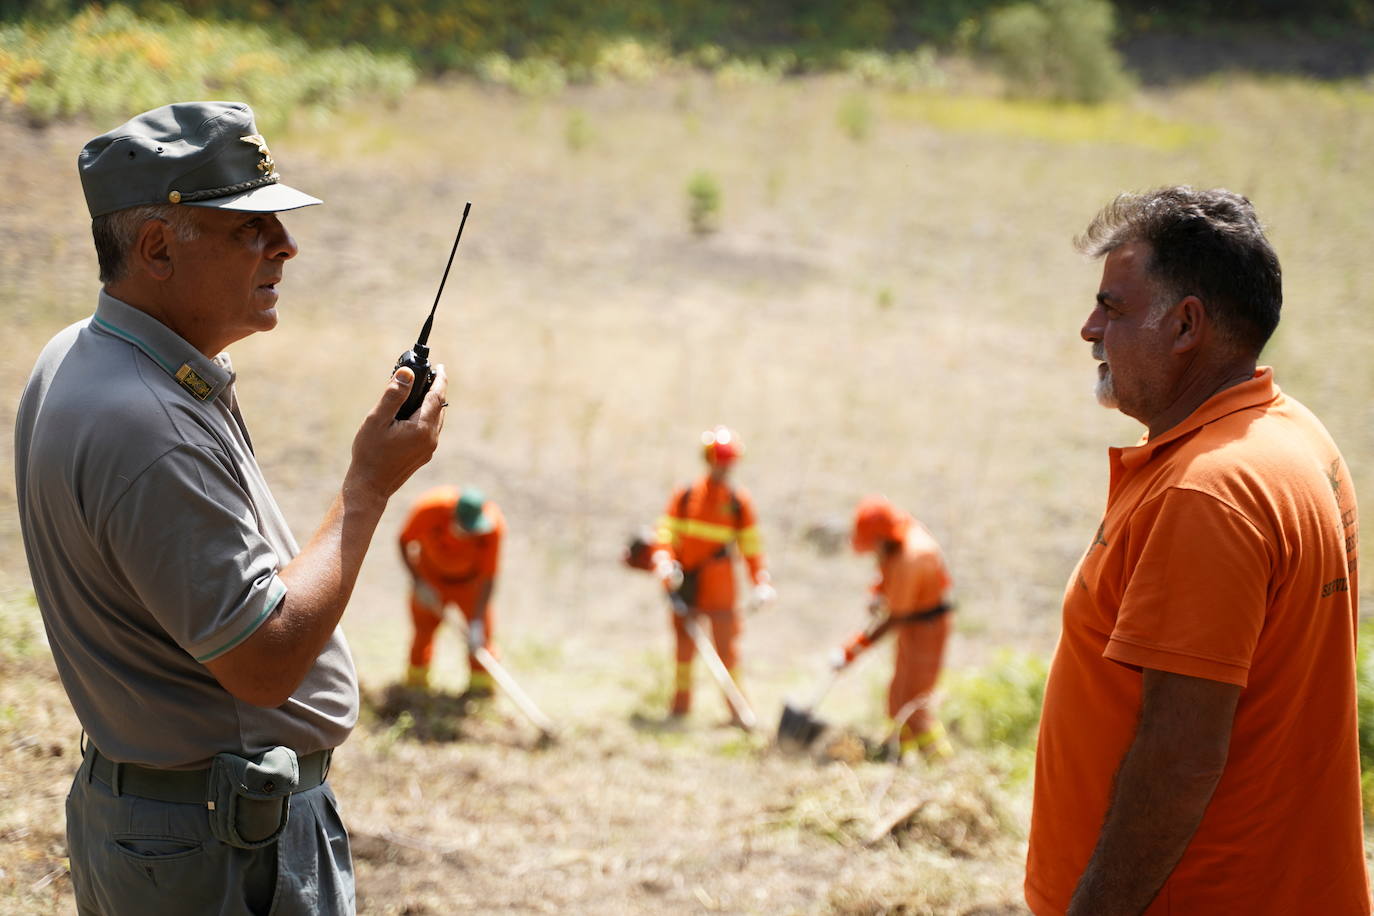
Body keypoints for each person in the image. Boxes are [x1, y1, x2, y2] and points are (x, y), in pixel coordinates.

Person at [13, 101, 448, 915]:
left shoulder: (83, 356)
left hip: (169, 824)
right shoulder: (149, 424)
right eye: (247, 228)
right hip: (217, 848)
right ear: (154, 249)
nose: (285, 245)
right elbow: (264, 663)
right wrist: (367, 487)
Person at [1025, 187, 1370, 915]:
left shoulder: (1207, 494)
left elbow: (1179, 758)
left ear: (1186, 325)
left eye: (1112, 308)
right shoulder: (1296, 436)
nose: (1089, 329)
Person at [652, 426, 775, 719]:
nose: (722, 468)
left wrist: (761, 582)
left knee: (727, 651)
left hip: (721, 587)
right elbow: (666, 534)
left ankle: (738, 713)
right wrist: (665, 562)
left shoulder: (737, 501)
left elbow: (751, 547)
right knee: (683, 650)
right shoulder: (685, 496)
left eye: (727, 462)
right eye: (718, 461)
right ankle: (680, 710)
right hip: (687, 583)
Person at [833, 496, 955, 761]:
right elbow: (888, 572)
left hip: (928, 627)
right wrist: (879, 590)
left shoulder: (911, 559)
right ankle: (896, 755)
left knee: (915, 705)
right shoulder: (900, 535)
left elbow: (894, 617)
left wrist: (852, 651)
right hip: (914, 623)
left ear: (880, 539)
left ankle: (941, 763)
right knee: (898, 695)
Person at [398, 484, 504, 694]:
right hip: (430, 580)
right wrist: (419, 582)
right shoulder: (429, 509)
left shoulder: (492, 526)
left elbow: (489, 577)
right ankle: (415, 691)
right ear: (452, 516)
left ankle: (479, 693)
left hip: (469, 586)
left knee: (481, 640)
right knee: (423, 633)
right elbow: (403, 541)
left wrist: (476, 621)